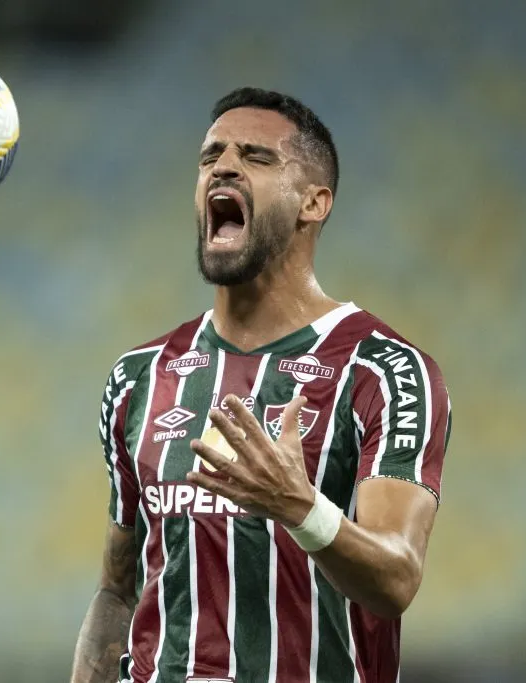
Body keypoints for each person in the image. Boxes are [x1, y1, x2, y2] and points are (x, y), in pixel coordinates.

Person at [70, 87, 452, 683]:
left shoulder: (384, 370)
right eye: (210, 156)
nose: (222, 166)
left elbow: (396, 580)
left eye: (256, 157)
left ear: (313, 203)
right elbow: (118, 591)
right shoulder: (140, 376)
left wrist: (300, 507)